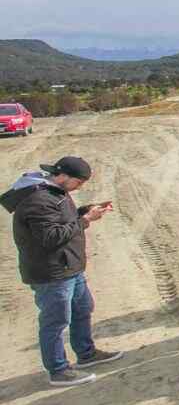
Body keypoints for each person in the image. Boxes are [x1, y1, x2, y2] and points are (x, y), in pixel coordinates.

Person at [2, 156, 122, 387]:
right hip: (52, 272)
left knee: (83, 309)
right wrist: (85, 220)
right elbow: (50, 237)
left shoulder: (52, 190)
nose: (80, 187)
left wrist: (83, 212)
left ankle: (86, 354)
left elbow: (59, 220)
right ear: (64, 176)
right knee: (55, 321)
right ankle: (57, 369)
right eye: (79, 182)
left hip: (69, 268)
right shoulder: (37, 200)